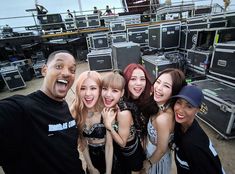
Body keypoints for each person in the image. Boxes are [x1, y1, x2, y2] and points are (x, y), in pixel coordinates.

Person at [0, 50, 85, 174]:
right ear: (44, 70)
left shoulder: (63, 104)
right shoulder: (21, 108)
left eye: (72, 70)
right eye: (58, 66)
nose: (67, 73)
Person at [142, 68, 187, 174]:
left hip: (156, 160)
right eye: (158, 82)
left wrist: (148, 164)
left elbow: (161, 150)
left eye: (166, 86)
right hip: (152, 152)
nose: (158, 88)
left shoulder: (164, 119)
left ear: (174, 92)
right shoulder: (160, 104)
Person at [173, 85, 225, 174]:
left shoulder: (191, 145)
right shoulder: (182, 126)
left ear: (198, 109)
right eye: (179, 102)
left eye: (189, 106)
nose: (181, 110)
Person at [101, 70, 145, 174]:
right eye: (104, 89)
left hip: (132, 153)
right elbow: (109, 144)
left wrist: (108, 126)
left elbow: (122, 143)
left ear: (122, 93)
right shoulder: (108, 109)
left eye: (114, 91)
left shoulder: (123, 113)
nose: (108, 94)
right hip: (120, 154)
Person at [70, 71, 113, 174]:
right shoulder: (75, 111)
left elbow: (109, 145)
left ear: (100, 90)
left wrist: (108, 172)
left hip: (110, 159)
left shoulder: (106, 111)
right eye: (83, 88)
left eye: (93, 88)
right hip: (91, 158)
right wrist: (91, 167)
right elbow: (82, 142)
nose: (88, 93)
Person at [123, 63, 152, 146]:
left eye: (142, 79)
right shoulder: (120, 103)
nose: (138, 83)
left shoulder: (149, 100)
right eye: (133, 79)